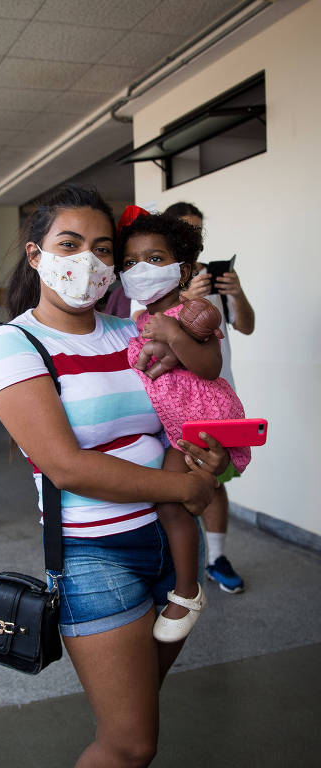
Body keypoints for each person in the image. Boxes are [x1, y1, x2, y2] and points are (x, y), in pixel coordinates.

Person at [0, 185, 230, 767]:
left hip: (172, 543)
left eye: (101, 248)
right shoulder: (15, 344)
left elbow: (179, 417)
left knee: (136, 717)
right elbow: (66, 466)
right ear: (36, 255)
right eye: (69, 245)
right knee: (130, 744)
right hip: (96, 555)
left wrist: (208, 460)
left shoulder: (133, 332)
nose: (87, 261)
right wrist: (184, 488)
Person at [117, 207, 251, 642]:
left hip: (202, 424)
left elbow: (210, 367)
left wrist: (173, 336)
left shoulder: (196, 312)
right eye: (130, 262)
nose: (141, 269)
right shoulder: (140, 320)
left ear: (184, 269)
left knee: (175, 502)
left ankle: (188, 590)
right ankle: (183, 582)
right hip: (175, 426)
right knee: (173, 502)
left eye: (155, 259)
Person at [164, 202, 255, 594]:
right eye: (185, 229)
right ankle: (173, 565)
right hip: (170, 401)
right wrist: (184, 298)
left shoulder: (212, 277)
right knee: (168, 481)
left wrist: (237, 293)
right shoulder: (159, 276)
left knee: (215, 480)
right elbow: (142, 328)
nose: (193, 238)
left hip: (217, 399)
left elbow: (246, 325)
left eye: (198, 230)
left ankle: (216, 559)